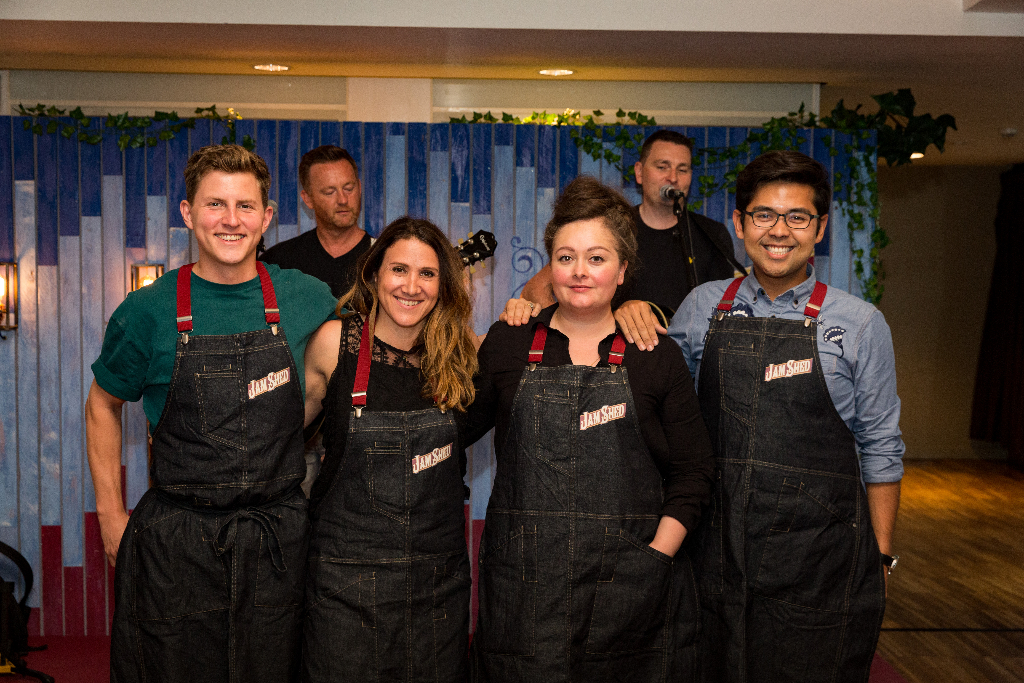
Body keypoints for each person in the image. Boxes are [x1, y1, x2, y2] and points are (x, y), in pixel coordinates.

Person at [85, 145, 337, 682]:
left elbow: (376, 348)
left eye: (246, 206)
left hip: (277, 541)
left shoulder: (307, 298)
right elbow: (102, 405)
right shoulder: (147, 311)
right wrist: (110, 514)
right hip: (176, 544)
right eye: (215, 204)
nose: (231, 220)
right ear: (188, 212)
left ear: (266, 217)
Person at [464, 176, 714, 682]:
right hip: (525, 592)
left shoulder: (654, 354)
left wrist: (655, 558)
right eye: (566, 257)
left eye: (597, 258)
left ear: (622, 271)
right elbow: (451, 430)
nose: (579, 271)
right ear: (550, 267)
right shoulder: (509, 344)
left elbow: (694, 471)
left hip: (633, 589)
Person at [667, 150, 903, 682]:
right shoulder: (701, 307)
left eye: (797, 216)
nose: (779, 231)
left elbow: (881, 448)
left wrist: (881, 558)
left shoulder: (860, 324)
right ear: (739, 223)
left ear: (820, 227)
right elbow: (666, 418)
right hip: (713, 558)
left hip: (820, 566)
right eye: (764, 215)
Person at [302, 217, 478, 682]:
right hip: (345, 585)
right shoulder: (334, 345)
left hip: (436, 587)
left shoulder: (461, 355)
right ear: (374, 273)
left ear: (443, 285)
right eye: (399, 269)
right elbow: (281, 438)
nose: (411, 286)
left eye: (427, 273)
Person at [514, 130, 739, 348]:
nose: (672, 178)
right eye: (662, 167)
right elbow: (535, 289)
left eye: (682, 169)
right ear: (639, 172)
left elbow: (722, 311)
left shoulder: (712, 234)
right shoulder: (611, 228)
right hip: (615, 356)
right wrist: (569, 335)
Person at [260, 145, 371, 298]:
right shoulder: (278, 263)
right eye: (329, 192)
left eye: (349, 188)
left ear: (359, 187)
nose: (343, 200)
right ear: (308, 199)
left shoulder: (383, 257)